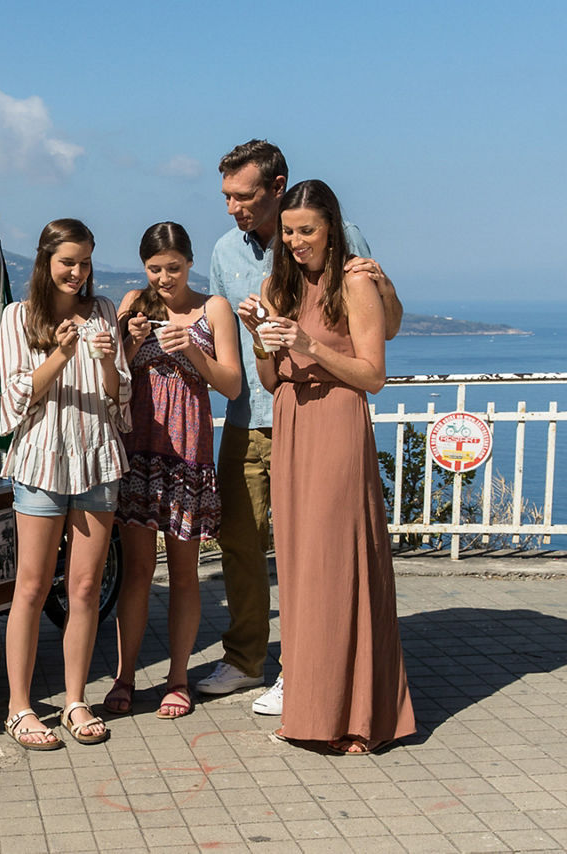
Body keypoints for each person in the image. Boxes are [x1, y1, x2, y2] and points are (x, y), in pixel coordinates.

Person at [197, 140, 403, 716]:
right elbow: (231, 341)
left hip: (321, 416)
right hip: (255, 412)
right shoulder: (223, 252)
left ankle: (304, 668)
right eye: (227, 197)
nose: (233, 207)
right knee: (242, 541)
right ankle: (245, 661)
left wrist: (383, 287)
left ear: (277, 186)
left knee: (312, 551)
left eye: (243, 195)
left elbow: (380, 331)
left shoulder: (341, 236)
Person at [244, 179, 415, 754]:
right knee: (298, 568)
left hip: (338, 422)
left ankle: (358, 716)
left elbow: (373, 375)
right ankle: (313, 709)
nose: (295, 241)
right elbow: (271, 381)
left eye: (307, 230)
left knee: (337, 562)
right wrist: (260, 339)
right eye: (288, 231)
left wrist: (309, 346)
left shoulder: (354, 281)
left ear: (331, 228)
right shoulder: (278, 286)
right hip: (293, 422)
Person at [0, 218, 131, 749]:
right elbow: (13, 399)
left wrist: (108, 366)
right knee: (30, 586)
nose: (78, 272)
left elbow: (121, 398)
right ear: (45, 261)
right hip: (40, 459)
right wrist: (62, 353)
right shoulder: (17, 318)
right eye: (68, 262)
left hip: (97, 458)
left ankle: (76, 701)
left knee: (85, 589)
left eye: (85, 262)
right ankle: (19, 707)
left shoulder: (102, 313)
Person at [105, 223, 241, 719]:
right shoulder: (131, 302)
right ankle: (123, 676)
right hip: (139, 449)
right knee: (137, 571)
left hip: (186, 454)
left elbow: (231, 384)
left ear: (190, 262)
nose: (164, 278)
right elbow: (111, 374)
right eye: (155, 269)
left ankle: (178, 677)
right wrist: (126, 337)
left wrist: (191, 349)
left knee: (185, 572)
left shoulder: (214, 309)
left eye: (174, 268)